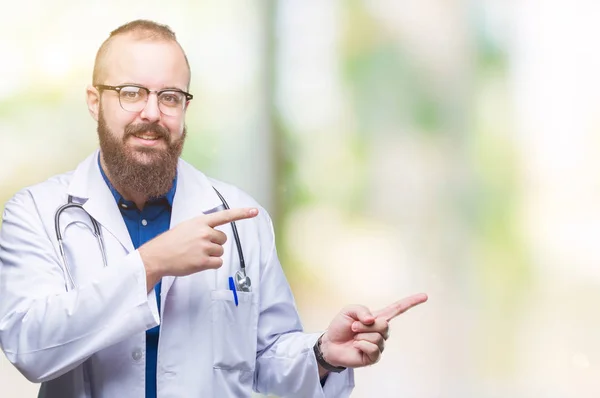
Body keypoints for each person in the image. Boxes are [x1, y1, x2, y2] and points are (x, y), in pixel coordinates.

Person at [0, 20, 428, 398]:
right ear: (95, 101)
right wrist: (150, 264)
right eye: (131, 93)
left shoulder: (241, 216)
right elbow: (28, 347)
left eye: (169, 97)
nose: (152, 112)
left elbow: (264, 355)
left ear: (186, 107)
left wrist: (324, 354)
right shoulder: (35, 213)